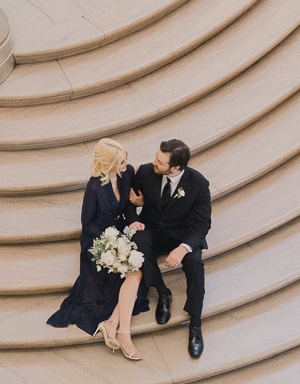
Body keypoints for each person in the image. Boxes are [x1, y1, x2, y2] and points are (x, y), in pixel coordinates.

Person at [47, 138, 148, 359]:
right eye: (121, 161)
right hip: (98, 239)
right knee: (120, 279)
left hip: (119, 231)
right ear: (107, 165)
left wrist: (133, 215)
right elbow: (87, 222)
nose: (127, 163)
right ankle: (120, 330)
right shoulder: (94, 186)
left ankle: (113, 324)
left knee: (137, 273)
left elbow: (130, 203)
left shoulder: (128, 172)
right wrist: (108, 243)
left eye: (125, 158)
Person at [130, 138, 212, 358]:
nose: (153, 162)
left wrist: (183, 248)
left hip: (182, 235)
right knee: (137, 244)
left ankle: (195, 323)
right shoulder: (146, 172)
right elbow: (129, 203)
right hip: (153, 230)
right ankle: (163, 293)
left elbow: (203, 224)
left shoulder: (198, 184)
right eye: (156, 157)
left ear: (176, 167)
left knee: (195, 264)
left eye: (160, 161)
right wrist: (135, 214)